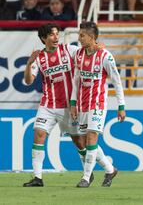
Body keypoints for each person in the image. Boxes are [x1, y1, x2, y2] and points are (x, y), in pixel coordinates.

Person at [23, 23, 116, 187]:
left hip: (69, 107)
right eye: (52, 35)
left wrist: (99, 45)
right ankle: (37, 178)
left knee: (81, 142)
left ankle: (109, 168)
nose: (56, 37)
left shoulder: (69, 50)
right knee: (38, 134)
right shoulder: (39, 57)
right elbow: (28, 81)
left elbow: (89, 50)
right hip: (48, 105)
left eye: (57, 34)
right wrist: (29, 64)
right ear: (44, 38)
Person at [70, 21, 125, 188]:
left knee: (92, 136)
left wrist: (121, 105)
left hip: (98, 102)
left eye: (82, 35)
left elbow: (116, 80)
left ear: (92, 37)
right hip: (83, 103)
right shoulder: (79, 54)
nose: (79, 38)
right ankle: (110, 169)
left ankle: (86, 178)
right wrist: (73, 103)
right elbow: (76, 80)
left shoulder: (105, 56)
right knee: (87, 141)